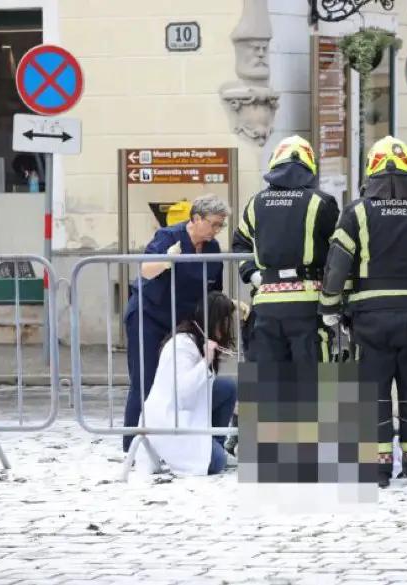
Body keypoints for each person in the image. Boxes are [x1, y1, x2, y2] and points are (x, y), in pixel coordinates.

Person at [318, 136, 407, 488]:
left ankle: (378, 470)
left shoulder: (356, 212)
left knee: (374, 394)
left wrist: (329, 308)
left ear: (371, 170)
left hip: (368, 318)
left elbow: (336, 267)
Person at [122, 194, 230, 453]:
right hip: (149, 317)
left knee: (184, 382)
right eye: (214, 224)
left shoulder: (213, 249)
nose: (217, 231)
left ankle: (173, 444)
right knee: (145, 381)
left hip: (183, 323)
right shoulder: (169, 237)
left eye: (221, 226)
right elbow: (145, 270)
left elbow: (213, 291)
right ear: (196, 218)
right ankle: (132, 447)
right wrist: (167, 260)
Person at [232, 135, 339, 363]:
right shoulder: (322, 202)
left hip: (266, 303)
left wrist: (253, 275)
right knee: (317, 386)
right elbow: (339, 252)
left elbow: (240, 243)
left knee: (270, 387)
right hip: (309, 303)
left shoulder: (256, 203)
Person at [136, 292, 238, 475]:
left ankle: (215, 444)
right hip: (171, 418)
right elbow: (182, 392)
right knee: (216, 463)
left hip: (188, 412)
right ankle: (210, 452)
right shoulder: (182, 344)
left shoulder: (197, 340)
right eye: (224, 321)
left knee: (227, 387)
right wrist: (206, 361)